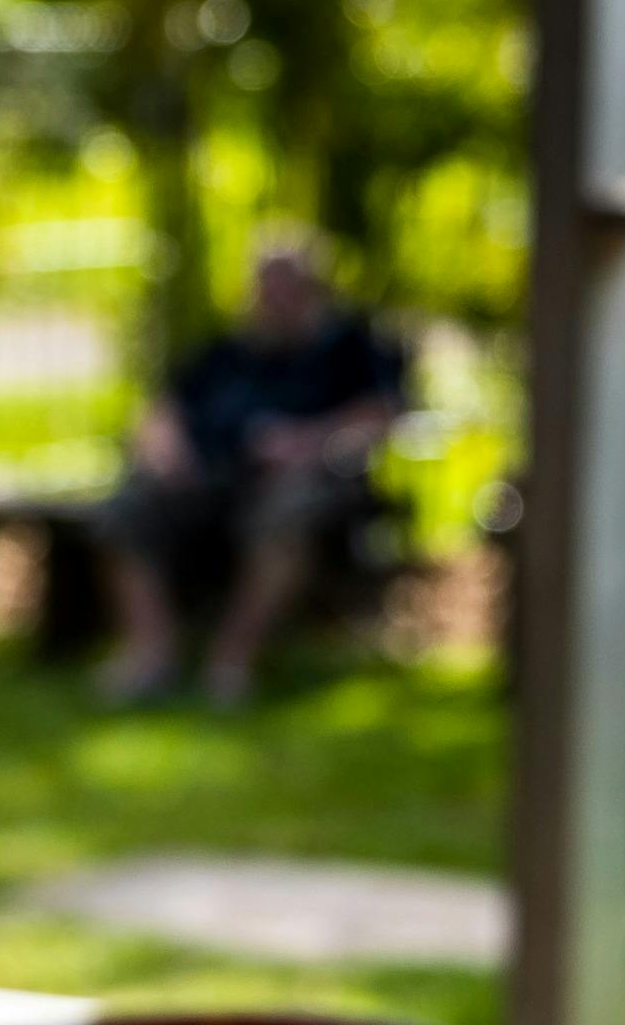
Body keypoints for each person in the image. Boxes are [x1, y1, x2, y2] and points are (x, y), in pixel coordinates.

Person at [96, 231, 410, 707]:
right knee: (127, 508)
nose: (275, 294)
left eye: (288, 282)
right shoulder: (226, 350)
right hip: (209, 476)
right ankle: (150, 654)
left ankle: (230, 661)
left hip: (307, 481)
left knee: (283, 515)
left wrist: (305, 441)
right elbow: (164, 407)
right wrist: (167, 451)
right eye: (266, 283)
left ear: (314, 286)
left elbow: (382, 416)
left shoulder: (352, 347)